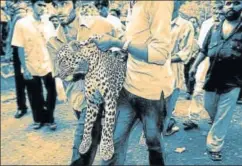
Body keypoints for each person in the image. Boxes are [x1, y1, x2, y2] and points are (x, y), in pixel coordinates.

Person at [94, 1, 174, 165]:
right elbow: (135, 38)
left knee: (154, 144)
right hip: (128, 87)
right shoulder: (133, 4)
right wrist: (117, 41)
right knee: (113, 141)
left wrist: (117, 43)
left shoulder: (160, 3)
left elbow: (159, 54)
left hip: (152, 93)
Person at [46, 0, 122, 165]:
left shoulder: (102, 25)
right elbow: (63, 74)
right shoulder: (53, 41)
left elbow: (122, 53)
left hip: (111, 101)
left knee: (104, 154)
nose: (58, 10)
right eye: (54, 4)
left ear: (74, 4)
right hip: (81, 102)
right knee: (86, 152)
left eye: (63, 3)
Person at [189, 0, 242, 161]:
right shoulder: (214, 28)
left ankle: (214, 146)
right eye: (228, 3)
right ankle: (216, 126)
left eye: (236, 3)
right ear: (224, 7)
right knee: (209, 107)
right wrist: (194, 66)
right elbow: (203, 50)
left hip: (234, 80)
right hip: (212, 77)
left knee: (223, 115)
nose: (231, 6)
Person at [12, 0, 57, 130]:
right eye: (39, 5)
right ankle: (38, 119)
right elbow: (19, 46)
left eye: (44, 5)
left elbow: (53, 44)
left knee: (51, 92)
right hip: (30, 63)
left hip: (48, 63)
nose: (42, 8)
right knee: (34, 93)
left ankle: (50, 118)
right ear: (32, 6)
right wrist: (24, 68)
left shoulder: (48, 24)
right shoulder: (22, 24)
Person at [183, 1, 225, 130]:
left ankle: (215, 119)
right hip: (205, 60)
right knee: (198, 90)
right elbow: (203, 46)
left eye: (219, 8)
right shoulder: (206, 24)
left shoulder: (231, 24)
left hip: (223, 63)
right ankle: (193, 118)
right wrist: (195, 65)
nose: (216, 11)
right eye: (214, 8)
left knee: (219, 93)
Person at [163, 1, 195, 136]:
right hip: (151, 72)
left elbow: (185, 53)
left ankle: (165, 128)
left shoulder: (186, 26)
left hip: (173, 72)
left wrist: (161, 58)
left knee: (168, 107)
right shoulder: (153, 22)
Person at [4, 0, 30, 119]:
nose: (6, 10)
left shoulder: (19, 14)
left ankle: (22, 107)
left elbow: (11, 36)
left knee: (21, 79)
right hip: (24, 48)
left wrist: (8, 53)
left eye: (7, 8)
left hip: (21, 48)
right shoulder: (16, 14)